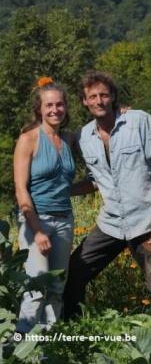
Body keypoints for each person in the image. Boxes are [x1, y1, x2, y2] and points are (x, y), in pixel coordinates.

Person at [63, 71, 151, 320]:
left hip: (145, 222)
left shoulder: (139, 121)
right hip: (111, 224)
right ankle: (72, 331)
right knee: (73, 273)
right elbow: (96, 181)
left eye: (104, 94)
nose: (99, 100)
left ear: (113, 96)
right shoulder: (84, 137)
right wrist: (65, 191)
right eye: (92, 96)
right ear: (85, 101)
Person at [14, 77, 76, 333]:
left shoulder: (70, 139)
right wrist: (37, 230)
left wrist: (121, 113)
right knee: (35, 290)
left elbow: (102, 136)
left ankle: (48, 352)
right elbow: (20, 189)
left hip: (64, 221)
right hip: (35, 221)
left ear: (65, 107)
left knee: (56, 289)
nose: (54, 110)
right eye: (49, 105)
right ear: (39, 108)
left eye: (59, 105)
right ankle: (18, 350)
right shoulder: (28, 139)